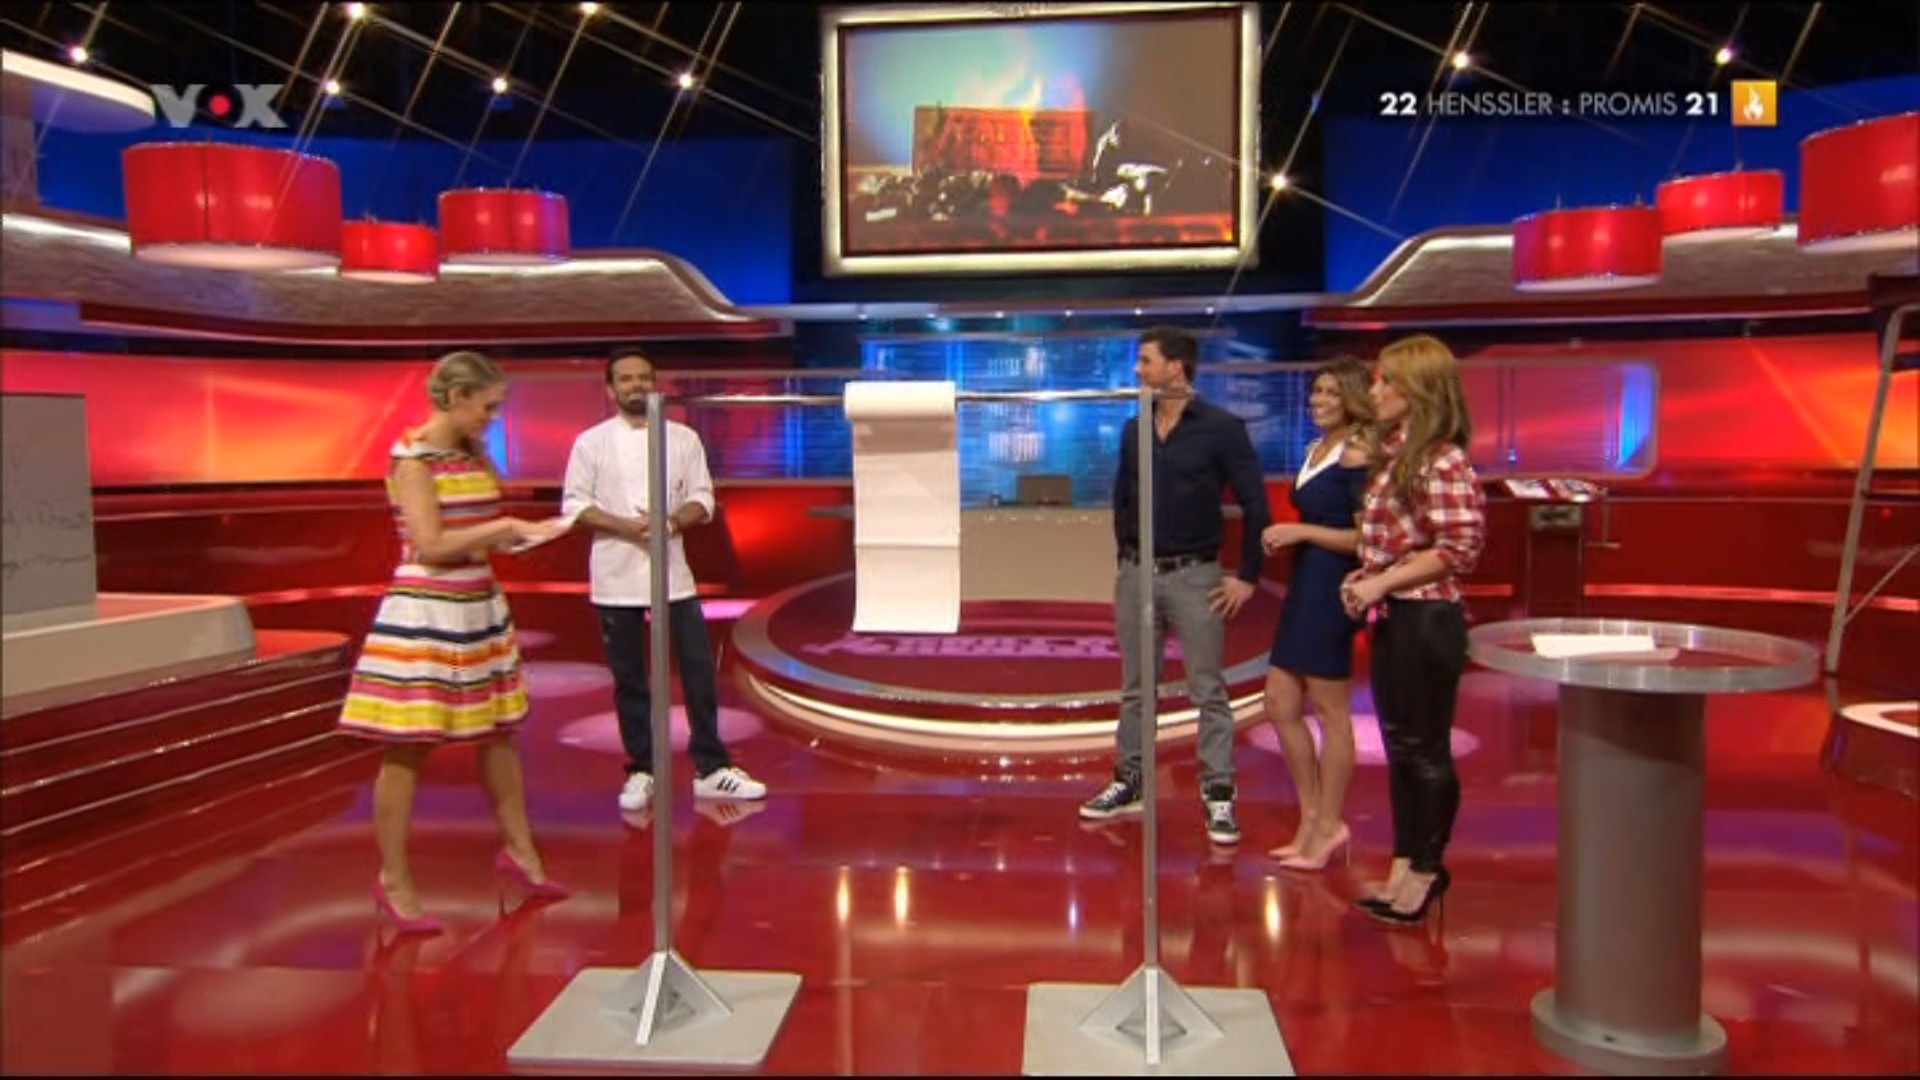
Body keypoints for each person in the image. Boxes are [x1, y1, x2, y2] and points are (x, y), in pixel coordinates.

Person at [340, 350, 574, 934]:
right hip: (428, 611)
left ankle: (522, 855)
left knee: (499, 735)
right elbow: (431, 544)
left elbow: (476, 534)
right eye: (486, 408)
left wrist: (524, 537)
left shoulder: (470, 452)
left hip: (479, 605)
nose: (491, 419)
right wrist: (504, 528)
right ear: (455, 397)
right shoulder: (413, 460)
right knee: (410, 746)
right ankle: (394, 880)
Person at [1080, 326, 1272, 845]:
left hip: (1195, 576)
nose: (1137, 370)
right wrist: (1126, 558)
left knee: (1207, 688)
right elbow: (1123, 497)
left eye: (1146, 361)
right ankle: (1130, 781)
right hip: (1136, 573)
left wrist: (1248, 575)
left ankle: (1218, 793)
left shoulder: (1222, 428)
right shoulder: (1134, 428)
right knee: (1136, 688)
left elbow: (1256, 505)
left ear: (1176, 367)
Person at [563, 347, 767, 813]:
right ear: (611, 389)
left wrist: (670, 522)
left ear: (656, 384)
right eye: (626, 379)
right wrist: (624, 526)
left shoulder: (683, 439)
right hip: (615, 575)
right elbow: (574, 506)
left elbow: (703, 498)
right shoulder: (590, 443)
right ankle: (642, 770)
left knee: (697, 670)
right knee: (630, 678)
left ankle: (711, 768)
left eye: (644, 377)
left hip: (674, 574)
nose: (636, 385)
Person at [1340, 334, 1487, 925]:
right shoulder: (1398, 455)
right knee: (1401, 748)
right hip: (1396, 613)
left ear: (1418, 390)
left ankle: (1426, 868)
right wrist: (1368, 576)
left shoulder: (1442, 459)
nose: (1374, 391)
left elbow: (1459, 547)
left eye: (1386, 381)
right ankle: (1405, 862)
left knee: (1425, 750)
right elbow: (1403, 541)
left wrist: (1382, 582)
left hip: (1427, 617)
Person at [1260, 357, 1375, 869]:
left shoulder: (1358, 452)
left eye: (1332, 392)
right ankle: (1310, 817)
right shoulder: (1316, 449)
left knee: (1330, 710)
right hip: (1306, 579)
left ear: (1353, 399)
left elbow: (1366, 538)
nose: (1320, 401)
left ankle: (1330, 825)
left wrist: (1299, 531)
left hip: (1334, 584)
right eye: (1317, 391)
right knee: (1279, 702)